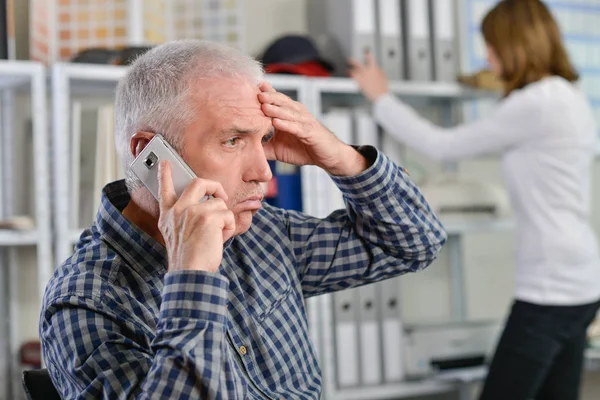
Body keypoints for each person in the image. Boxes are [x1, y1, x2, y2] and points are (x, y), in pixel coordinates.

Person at [39, 39, 446, 399]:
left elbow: (413, 242)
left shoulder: (260, 233)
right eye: (233, 140)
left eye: (263, 139)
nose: (264, 172)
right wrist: (192, 277)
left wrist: (342, 158)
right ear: (151, 156)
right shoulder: (85, 300)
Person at [349, 0, 600, 399]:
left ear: (517, 46)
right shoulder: (567, 96)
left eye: (493, 47)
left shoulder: (533, 103)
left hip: (551, 285)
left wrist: (382, 98)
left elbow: (442, 145)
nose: (487, 55)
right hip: (582, 279)